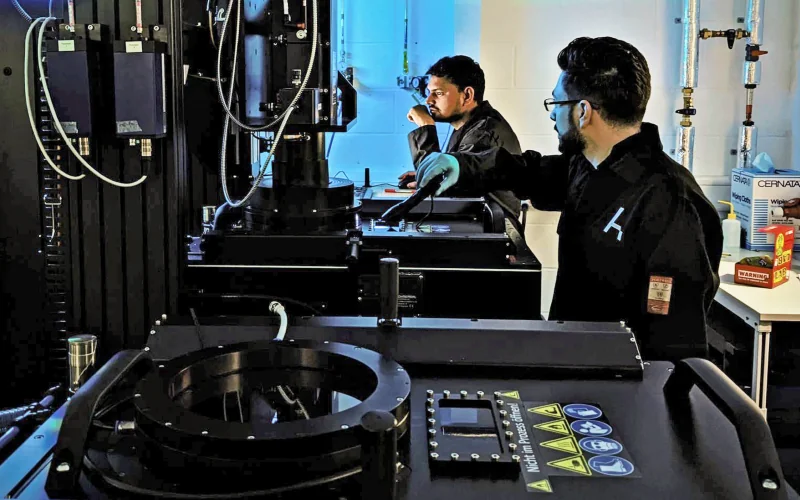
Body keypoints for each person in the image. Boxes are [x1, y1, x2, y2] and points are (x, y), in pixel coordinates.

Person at [414, 37, 723, 361]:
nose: (552, 116)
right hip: (574, 359)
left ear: (583, 112)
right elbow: (525, 171)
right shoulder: (587, 166)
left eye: (556, 104)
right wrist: (461, 165)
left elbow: (675, 348)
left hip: (619, 381)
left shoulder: (669, 200)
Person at [399, 55, 522, 218]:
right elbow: (462, 174)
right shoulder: (469, 125)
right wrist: (435, 171)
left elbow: (439, 190)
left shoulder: (483, 133)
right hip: (476, 221)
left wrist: (425, 125)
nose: (428, 100)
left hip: (490, 228)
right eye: (429, 93)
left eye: (438, 93)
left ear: (467, 95)